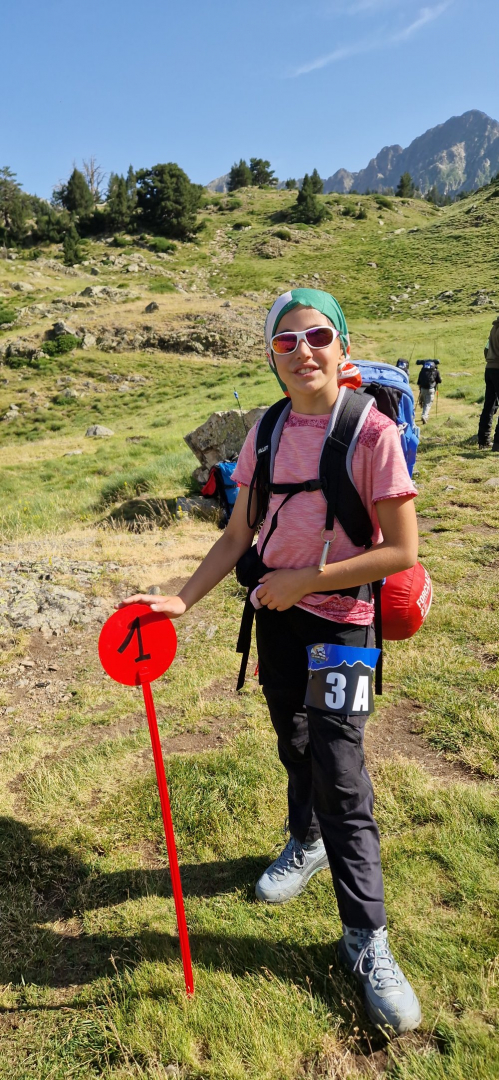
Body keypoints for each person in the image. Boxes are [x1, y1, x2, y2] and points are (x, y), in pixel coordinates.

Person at [120, 288, 421, 1035]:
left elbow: (400, 550)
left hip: (344, 625)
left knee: (341, 773)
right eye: (285, 342)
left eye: (316, 336)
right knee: (293, 740)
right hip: (277, 623)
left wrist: (305, 581)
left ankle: (367, 940)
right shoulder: (266, 430)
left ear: (342, 347)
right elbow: (237, 534)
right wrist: (182, 599)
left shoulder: (372, 432)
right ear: (271, 358)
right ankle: (306, 841)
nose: (302, 351)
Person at [477, 316, 499, 450]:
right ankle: (498, 443)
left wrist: (491, 360)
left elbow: (486, 349)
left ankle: (483, 440)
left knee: (489, 405)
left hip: (489, 369)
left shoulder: (493, 328)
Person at [416, 360, 441, 424]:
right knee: (428, 404)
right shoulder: (436, 371)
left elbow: (418, 382)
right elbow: (439, 381)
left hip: (422, 389)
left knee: (424, 402)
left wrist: (420, 389)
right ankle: (424, 416)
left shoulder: (422, 371)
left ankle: (423, 414)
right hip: (431, 389)